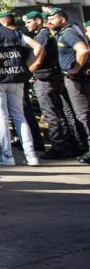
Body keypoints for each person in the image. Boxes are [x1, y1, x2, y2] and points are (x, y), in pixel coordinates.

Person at [0, 10, 43, 166]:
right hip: (17, 78)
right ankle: (31, 156)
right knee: (19, 116)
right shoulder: (14, 33)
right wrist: (27, 67)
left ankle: (7, 156)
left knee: (0, 118)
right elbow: (38, 47)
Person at [31, 10, 81, 158]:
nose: (50, 22)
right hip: (55, 77)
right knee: (62, 113)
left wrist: (28, 72)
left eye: (29, 21)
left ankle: (59, 146)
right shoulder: (53, 34)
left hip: (46, 78)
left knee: (52, 114)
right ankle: (69, 143)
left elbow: (39, 58)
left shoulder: (43, 35)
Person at [48, 6, 90, 163]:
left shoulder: (69, 33)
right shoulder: (64, 32)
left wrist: (76, 69)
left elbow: (83, 51)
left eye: (52, 18)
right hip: (72, 79)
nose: (49, 21)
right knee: (79, 114)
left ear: (62, 18)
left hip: (76, 79)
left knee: (83, 114)